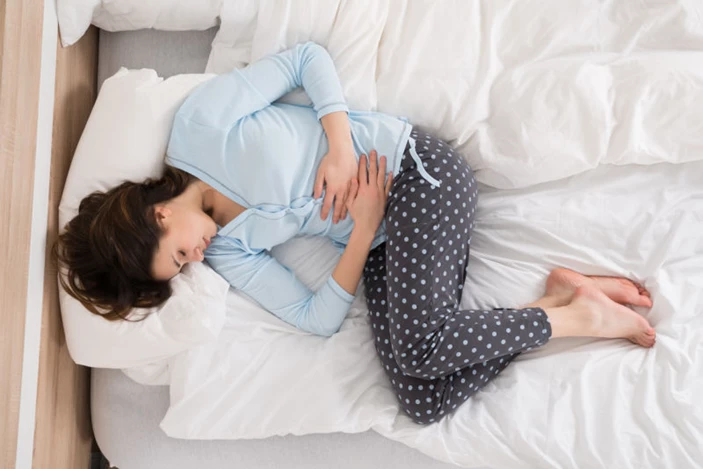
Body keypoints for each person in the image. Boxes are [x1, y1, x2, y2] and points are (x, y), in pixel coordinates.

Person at [56, 42, 656, 425]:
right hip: (382, 237)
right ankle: (558, 301)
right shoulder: (231, 253)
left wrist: (339, 147)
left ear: (157, 215)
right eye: (184, 268)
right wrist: (364, 229)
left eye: (179, 253)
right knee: (423, 402)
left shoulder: (201, 127)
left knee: (422, 349)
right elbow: (316, 317)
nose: (196, 258)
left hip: (415, 174)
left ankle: (579, 317)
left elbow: (305, 60)